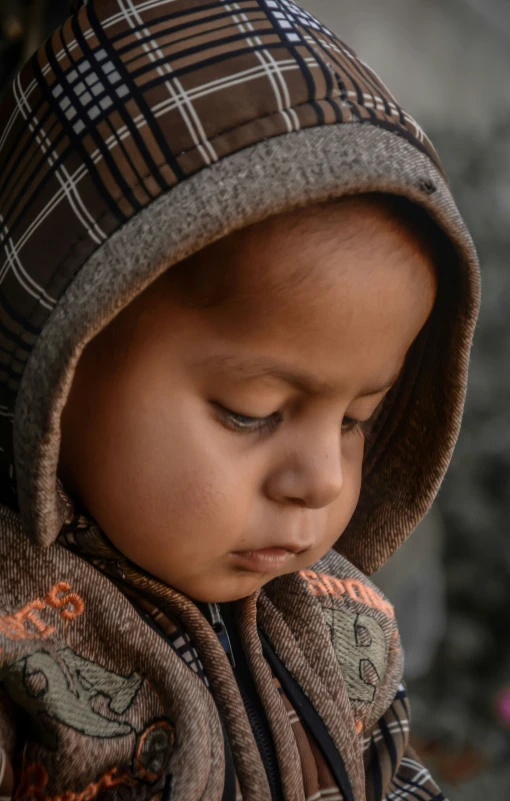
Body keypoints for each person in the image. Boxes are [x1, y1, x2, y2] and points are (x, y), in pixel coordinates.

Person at [0, 1, 480, 799]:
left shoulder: (348, 626)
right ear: (61, 364)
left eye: (358, 419)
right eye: (251, 411)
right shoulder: (19, 638)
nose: (322, 480)